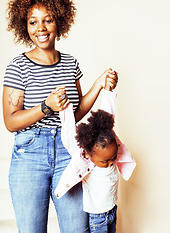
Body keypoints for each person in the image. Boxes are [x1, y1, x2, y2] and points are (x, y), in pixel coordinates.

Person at [2, 0, 118, 232]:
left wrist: (98, 84)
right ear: (24, 26)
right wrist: (46, 107)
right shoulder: (18, 66)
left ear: (60, 22)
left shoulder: (69, 63)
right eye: (33, 22)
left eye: (48, 20)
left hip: (69, 152)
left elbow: (74, 114)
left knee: (77, 229)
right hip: (30, 155)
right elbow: (11, 122)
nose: (40, 28)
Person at [55, 85, 136, 232]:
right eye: (105, 161)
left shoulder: (107, 147)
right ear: (87, 154)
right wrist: (64, 107)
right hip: (98, 218)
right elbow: (68, 135)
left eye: (113, 157)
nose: (111, 162)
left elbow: (107, 115)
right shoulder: (85, 161)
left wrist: (108, 92)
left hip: (112, 210)